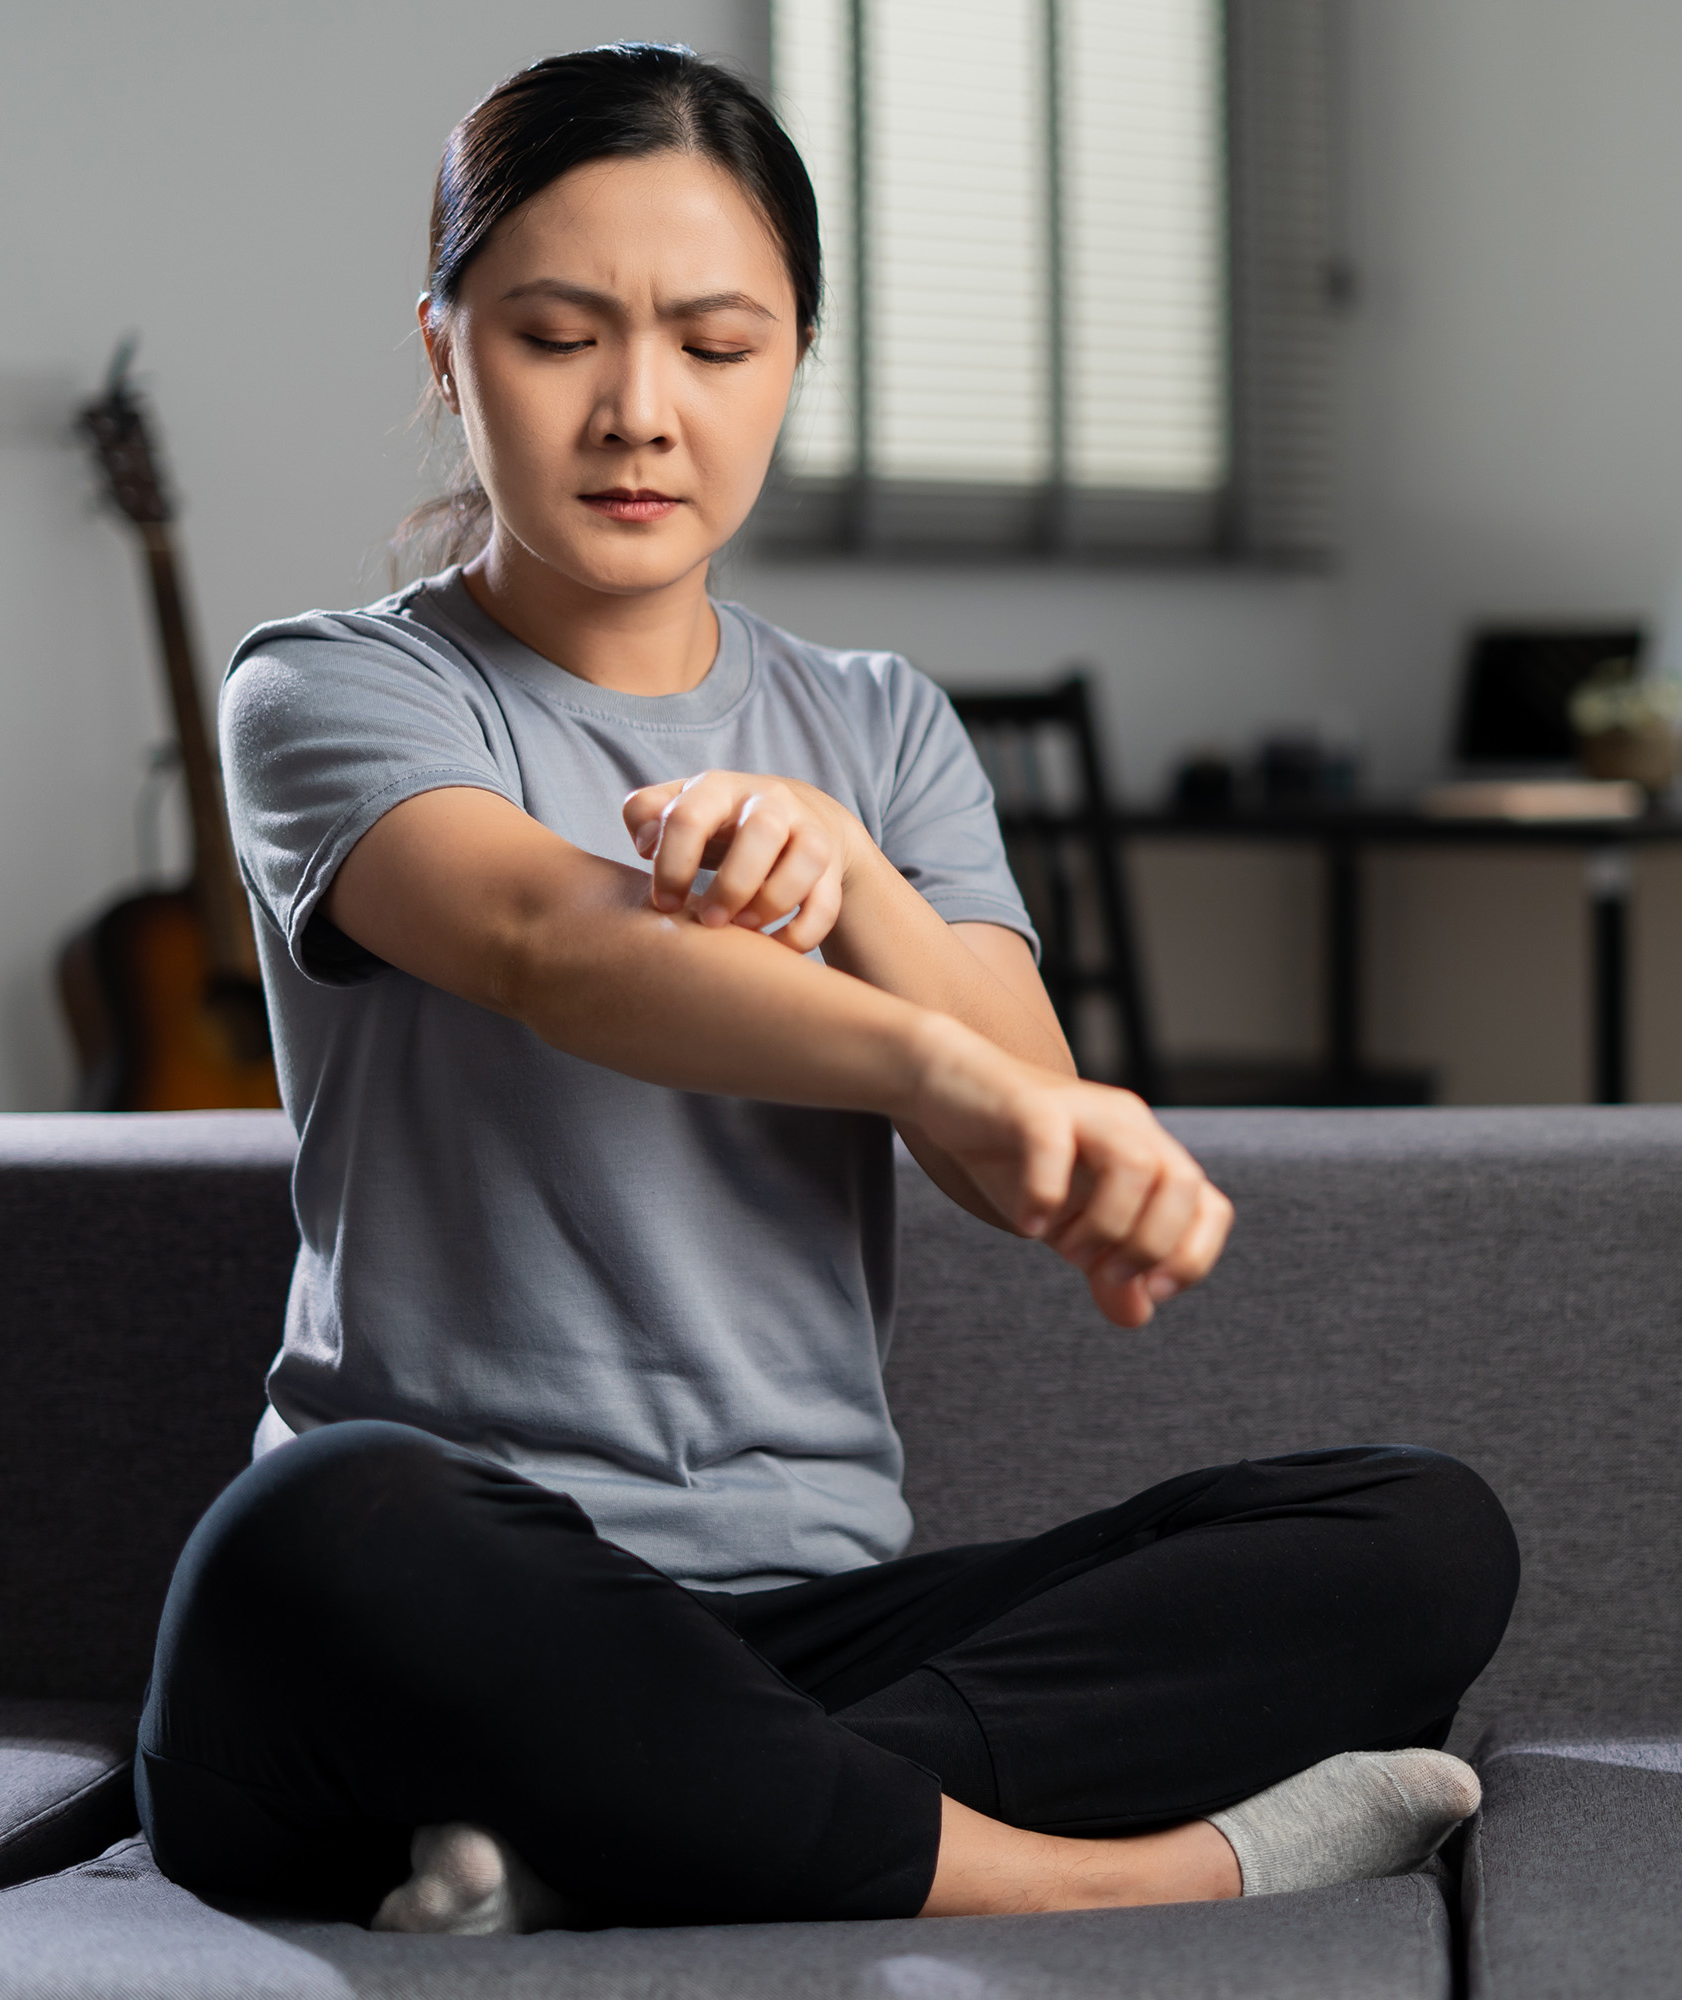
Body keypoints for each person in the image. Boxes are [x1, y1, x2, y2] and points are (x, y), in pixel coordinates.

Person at [139, 42, 1520, 1934]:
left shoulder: (881, 728)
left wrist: (853, 872)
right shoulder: (334, 691)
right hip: (440, 1618)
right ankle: (1107, 1877)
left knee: (1416, 1537)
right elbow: (558, 948)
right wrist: (921, 1062)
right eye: (559, 336)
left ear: (795, 358)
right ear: (448, 351)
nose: (641, 411)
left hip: (807, 1621)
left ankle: (631, 1826)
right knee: (334, 1519)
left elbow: (1022, 1143)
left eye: (717, 345)